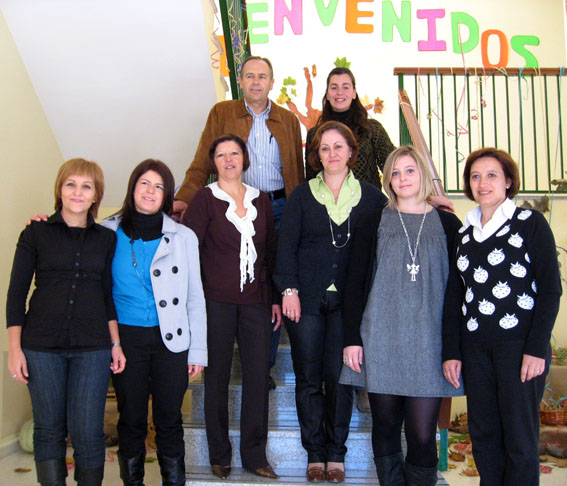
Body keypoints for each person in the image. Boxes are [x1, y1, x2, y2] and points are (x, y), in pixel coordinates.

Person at [173, 55, 304, 390]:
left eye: (262, 76)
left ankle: (263, 364)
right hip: (233, 206)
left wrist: (300, 210)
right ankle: (224, 355)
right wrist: (183, 198)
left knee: (270, 283)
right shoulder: (222, 113)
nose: (256, 82)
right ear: (241, 82)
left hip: (277, 206)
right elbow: (203, 160)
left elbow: (297, 172)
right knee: (233, 283)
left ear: (272, 83)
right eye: (249, 76)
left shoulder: (288, 120)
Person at [340, 146, 463, 486]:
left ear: (423, 174)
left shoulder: (448, 223)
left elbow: (458, 292)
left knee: (423, 434)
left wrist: (453, 349)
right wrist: (352, 339)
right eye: (395, 173)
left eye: (409, 170)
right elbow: (354, 284)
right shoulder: (374, 220)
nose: (402, 178)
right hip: (381, 337)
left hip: (430, 342)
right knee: (386, 426)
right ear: (387, 180)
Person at [273, 121, 387, 483]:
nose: (332, 154)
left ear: (352, 152)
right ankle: (315, 453)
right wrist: (288, 289)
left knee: (341, 378)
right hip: (305, 301)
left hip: (350, 305)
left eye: (339, 147)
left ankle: (336, 453)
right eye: (325, 148)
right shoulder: (302, 196)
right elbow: (285, 246)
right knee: (308, 379)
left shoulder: (372, 198)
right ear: (316, 155)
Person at [442, 148, 561, 486]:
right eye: (475, 176)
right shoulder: (464, 235)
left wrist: (536, 349)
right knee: (484, 438)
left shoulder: (529, 223)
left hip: (519, 349)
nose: (483, 183)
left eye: (492, 175)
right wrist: (452, 351)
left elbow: (551, 289)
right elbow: (454, 298)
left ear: (508, 181)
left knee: (520, 441)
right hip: (475, 351)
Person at [7, 158, 126, 486]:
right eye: (70, 184)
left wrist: (115, 344)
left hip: (93, 349)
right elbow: (16, 295)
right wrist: (14, 350)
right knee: (48, 430)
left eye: (86, 186)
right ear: (59, 190)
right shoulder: (35, 232)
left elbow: (107, 296)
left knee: (88, 432)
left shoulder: (106, 239)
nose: (77, 191)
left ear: (95, 195)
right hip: (40, 346)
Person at [102, 159, 207, 486]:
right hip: (125, 342)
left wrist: (198, 350)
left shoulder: (183, 237)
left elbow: (195, 297)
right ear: (133, 187)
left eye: (159, 186)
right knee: (131, 420)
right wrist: (43, 221)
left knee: (169, 420)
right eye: (144, 183)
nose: (151, 191)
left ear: (167, 195)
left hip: (171, 341)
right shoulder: (106, 232)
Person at [183, 134, 281, 480]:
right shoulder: (204, 200)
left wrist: (272, 298)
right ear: (214, 162)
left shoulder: (263, 200)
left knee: (257, 378)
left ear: (244, 158)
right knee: (217, 379)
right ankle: (219, 453)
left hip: (255, 301)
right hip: (216, 303)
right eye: (221, 154)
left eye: (234, 153)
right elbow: (188, 250)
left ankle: (255, 455)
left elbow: (269, 253)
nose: (228, 160)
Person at [305, 66, 395, 189]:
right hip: (329, 205)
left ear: (354, 93)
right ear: (327, 94)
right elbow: (312, 180)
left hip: (368, 205)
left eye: (346, 87)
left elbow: (393, 168)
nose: (340, 92)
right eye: (334, 87)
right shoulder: (315, 135)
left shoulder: (372, 130)